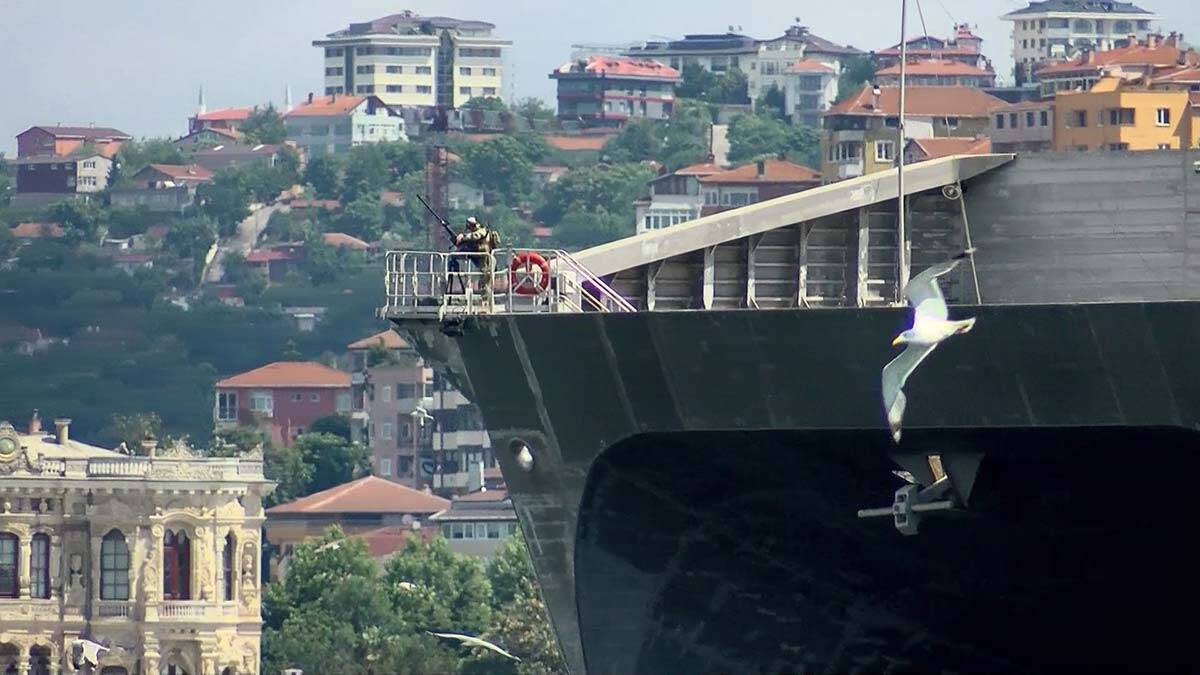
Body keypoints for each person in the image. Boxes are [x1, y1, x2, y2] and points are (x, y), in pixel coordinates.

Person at [455, 216, 494, 300]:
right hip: (480, 257)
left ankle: (486, 299)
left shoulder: (482, 231)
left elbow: (475, 236)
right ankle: (484, 297)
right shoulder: (477, 231)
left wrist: (463, 237)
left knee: (485, 278)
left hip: (485, 258)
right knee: (482, 278)